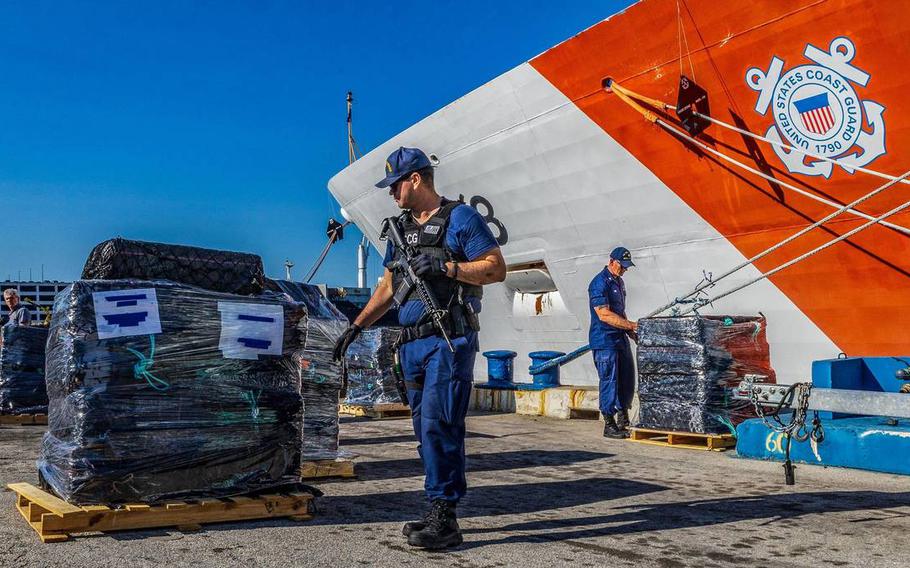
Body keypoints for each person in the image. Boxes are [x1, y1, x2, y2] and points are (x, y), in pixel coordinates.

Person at [332, 147, 506, 549]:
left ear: (415, 179)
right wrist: (354, 327)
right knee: (422, 430)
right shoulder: (399, 230)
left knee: (439, 423)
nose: (391, 193)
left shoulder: (460, 218)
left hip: (448, 340)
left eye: (395, 184)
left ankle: (445, 515)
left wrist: (449, 268)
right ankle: (436, 505)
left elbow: (496, 267)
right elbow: (389, 288)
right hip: (411, 346)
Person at [588, 247, 637, 439]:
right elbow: (604, 314)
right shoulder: (599, 283)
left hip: (619, 337)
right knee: (609, 380)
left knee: (626, 377)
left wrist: (630, 331)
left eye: (626, 267)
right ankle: (609, 423)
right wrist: (631, 325)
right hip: (605, 339)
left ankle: (623, 418)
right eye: (622, 266)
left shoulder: (619, 282)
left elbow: (619, 312)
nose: (624, 270)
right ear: (611, 261)